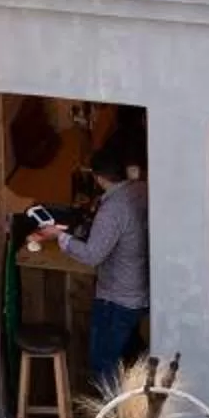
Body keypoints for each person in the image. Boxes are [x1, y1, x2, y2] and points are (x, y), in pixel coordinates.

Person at [34, 147, 150, 383]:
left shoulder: (113, 209)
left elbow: (92, 255)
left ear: (98, 177)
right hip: (141, 291)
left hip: (116, 299)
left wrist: (59, 236)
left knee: (104, 366)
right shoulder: (141, 190)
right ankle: (131, 414)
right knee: (131, 361)